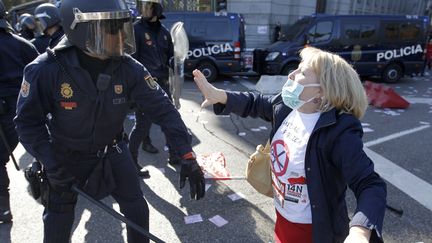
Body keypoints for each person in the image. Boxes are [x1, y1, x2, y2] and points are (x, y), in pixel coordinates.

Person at [14, 0, 205, 242]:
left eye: (120, 27)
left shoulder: (129, 68)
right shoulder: (46, 69)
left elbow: (164, 110)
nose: (119, 36)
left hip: (113, 150)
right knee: (57, 221)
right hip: (64, 157)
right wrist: (49, 161)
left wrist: (186, 154)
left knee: (138, 211)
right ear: (80, 30)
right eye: (110, 28)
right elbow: (27, 123)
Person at [193, 46, 387, 243]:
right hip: (283, 219)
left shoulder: (340, 130)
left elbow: (370, 184)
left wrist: (360, 233)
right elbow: (257, 103)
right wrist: (219, 95)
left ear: (323, 90)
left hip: (315, 232)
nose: (291, 74)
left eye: (301, 72)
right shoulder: (287, 107)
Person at [129, 0, 178, 177]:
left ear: (156, 9)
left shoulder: (165, 33)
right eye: (142, 6)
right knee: (142, 126)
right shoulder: (136, 29)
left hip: (163, 83)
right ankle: (130, 163)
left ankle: (175, 155)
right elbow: (130, 60)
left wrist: (175, 62)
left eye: (147, 6)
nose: (143, 9)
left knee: (170, 120)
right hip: (144, 86)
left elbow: (171, 56)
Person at [0, 0, 39, 223]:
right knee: (45, 152)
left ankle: (3, 209)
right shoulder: (24, 44)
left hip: (6, 115)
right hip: (29, 112)